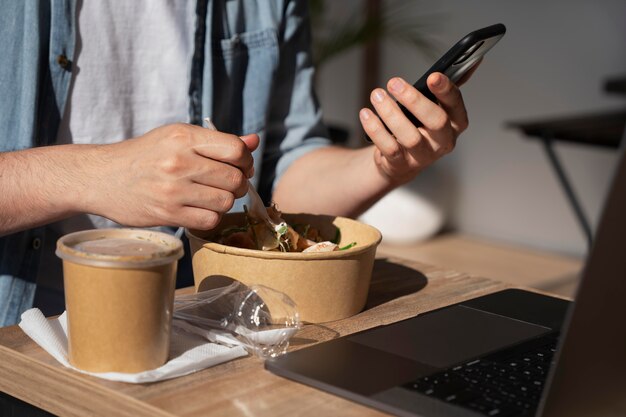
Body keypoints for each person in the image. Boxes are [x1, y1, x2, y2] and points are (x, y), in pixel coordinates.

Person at [0, 0, 470, 326]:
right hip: (22, 333)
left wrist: (387, 165)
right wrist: (94, 176)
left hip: (200, 322)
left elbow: (281, 178)